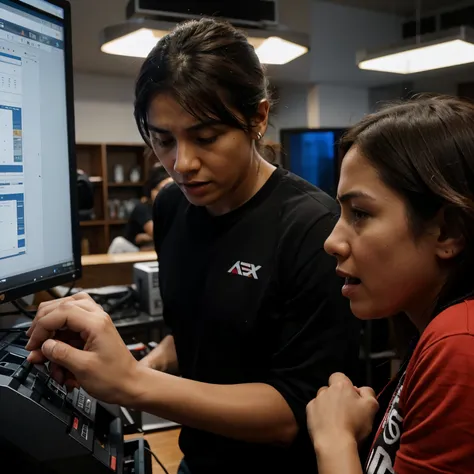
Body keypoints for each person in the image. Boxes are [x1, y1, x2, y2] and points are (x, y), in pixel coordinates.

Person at [24, 18, 360, 474]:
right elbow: (209, 325)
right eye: (163, 140)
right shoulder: (171, 208)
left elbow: (297, 412)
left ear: (258, 118)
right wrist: (155, 357)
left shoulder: (311, 227)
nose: (182, 164)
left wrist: (133, 383)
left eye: (205, 138)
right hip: (198, 459)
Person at [305, 94, 474, 474]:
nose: (333, 242)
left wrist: (334, 438)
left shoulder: (460, 346)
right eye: (342, 213)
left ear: (448, 231)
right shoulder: (437, 333)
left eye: (361, 213)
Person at [123, 162, 172, 249]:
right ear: (151, 191)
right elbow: (158, 234)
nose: (168, 194)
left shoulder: (172, 208)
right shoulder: (142, 208)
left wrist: (144, 237)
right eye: (162, 190)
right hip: (128, 251)